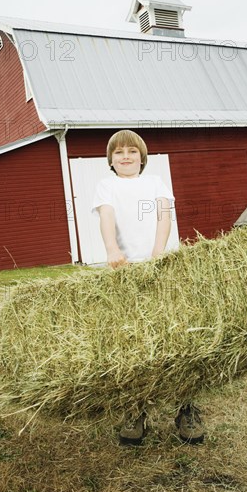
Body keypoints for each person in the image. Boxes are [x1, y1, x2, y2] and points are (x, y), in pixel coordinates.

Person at [91, 129, 205, 446]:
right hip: (124, 270)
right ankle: (136, 410)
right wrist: (113, 250)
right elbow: (106, 217)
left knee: (177, 336)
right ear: (110, 160)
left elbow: (163, 215)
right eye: (118, 152)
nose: (125, 156)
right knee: (133, 339)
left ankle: (187, 409)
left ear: (142, 157)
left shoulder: (154, 183)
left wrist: (158, 252)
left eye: (131, 151)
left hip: (159, 266)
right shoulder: (107, 186)